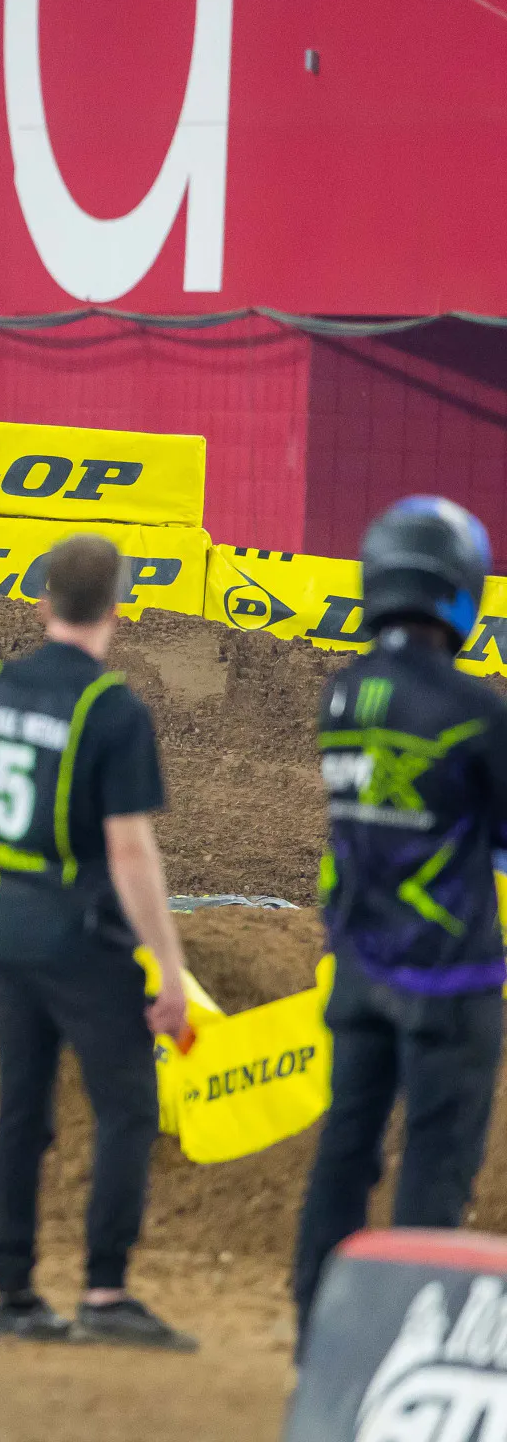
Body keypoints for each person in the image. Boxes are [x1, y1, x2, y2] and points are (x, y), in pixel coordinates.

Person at [0, 534, 195, 1350]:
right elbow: (130, 849)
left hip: (12, 919)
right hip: (82, 929)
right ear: (117, 613)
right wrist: (168, 968)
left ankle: (14, 1291)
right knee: (128, 1108)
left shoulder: (0, 684)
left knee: (21, 1110)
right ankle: (104, 1291)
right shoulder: (113, 708)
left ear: (44, 601)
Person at [292, 497, 507, 1351]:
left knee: (345, 1151)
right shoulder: (475, 706)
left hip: (359, 967)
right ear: (458, 591)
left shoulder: (343, 693)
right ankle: (406, 1347)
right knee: (435, 1165)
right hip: (450, 980)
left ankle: (316, 1332)